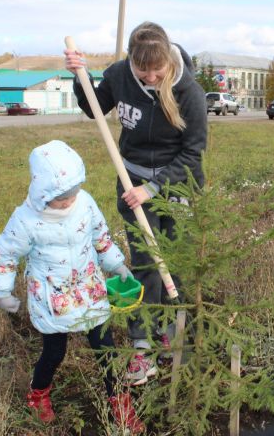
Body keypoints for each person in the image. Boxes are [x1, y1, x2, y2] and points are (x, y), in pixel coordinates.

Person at [65, 21, 207, 386]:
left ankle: (174, 336)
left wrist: (155, 188)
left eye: (156, 70)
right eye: (143, 71)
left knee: (174, 263)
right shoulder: (120, 75)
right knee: (145, 264)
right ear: (132, 62)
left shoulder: (188, 90)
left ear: (167, 62)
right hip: (131, 182)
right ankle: (142, 347)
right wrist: (78, 77)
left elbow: (193, 154)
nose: (150, 77)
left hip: (177, 186)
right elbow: (92, 109)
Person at [0, 140, 143, 432]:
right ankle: (38, 394)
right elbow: (6, 253)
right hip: (52, 297)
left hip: (89, 288)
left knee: (106, 348)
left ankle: (119, 399)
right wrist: (2, 291)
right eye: (61, 197)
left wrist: (116, 263)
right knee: (54, 351)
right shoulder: (25, 220)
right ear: (42, 191)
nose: (69, 201)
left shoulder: (84, 202)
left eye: (73, 193)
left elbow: (100, 236)